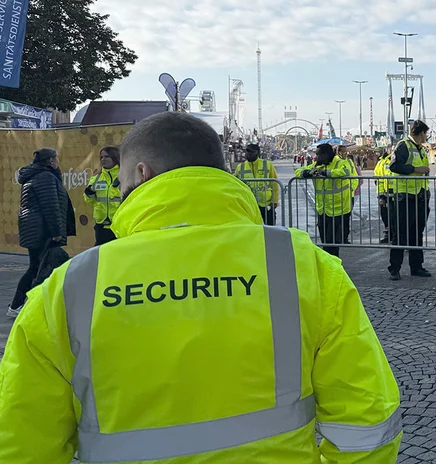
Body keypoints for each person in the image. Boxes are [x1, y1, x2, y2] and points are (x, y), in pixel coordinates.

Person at [0, 112, 402, 462]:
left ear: (142, 174)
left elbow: (19, 444)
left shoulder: (68, 290)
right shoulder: (303, 265)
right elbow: (367, 421)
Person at [8, 148, 75, 319]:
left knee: (38, 267)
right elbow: (51, 206)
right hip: (43, 231)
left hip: (36, 230)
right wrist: (57, 232)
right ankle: (18, 304)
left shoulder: (35, 175)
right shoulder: (45, 177)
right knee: (38, 268)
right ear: (51, 160)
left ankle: (27, 304)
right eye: (56, 159)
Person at [388, 120, 433, 280]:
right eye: (425, 133)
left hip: (419, 196)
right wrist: (415, 169)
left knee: (416, 234)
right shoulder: (404, 146)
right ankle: (395, 268)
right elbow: (394, 166)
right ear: (420, 133)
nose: (426, 137)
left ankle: (416, 266)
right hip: (404, 197)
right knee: (400, 234)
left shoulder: (420, 149)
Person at [296, 143, 353, 257]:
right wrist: (308, 173)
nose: (316, 157)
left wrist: (325, 173)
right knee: (326, 241)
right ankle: (330, 264)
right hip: (323, 210)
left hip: (338, 209)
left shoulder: (340, 162)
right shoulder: (317, 165)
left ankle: (333, 266)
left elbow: (345, 172)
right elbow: (298, 172)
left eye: (318, 154)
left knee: (332, 244)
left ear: (326, 154)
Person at [83, 146, 122, 246]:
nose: (103, 159)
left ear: (115, 158)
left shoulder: (123, 176)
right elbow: (87, 200)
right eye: (101, 157)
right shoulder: (97, 177)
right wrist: (90, 191)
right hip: (101, 226)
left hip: (119, 224)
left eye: (107, 156)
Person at [234, 143, 280, 226]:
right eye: (247, 152)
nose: (248, 154)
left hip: (266, 204)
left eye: (251, 152)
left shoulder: (268, 165)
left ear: (258, 153)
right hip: (248, 205)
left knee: (270, 230)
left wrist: (275, 201)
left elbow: (275, 184)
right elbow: (234, 183)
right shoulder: (240, 167)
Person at [374, 148, 393, 244]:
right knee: (385, 215)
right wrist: (381, 196)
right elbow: (378, 181)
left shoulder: (398, 160)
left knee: (396, 217)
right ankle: (389, 234)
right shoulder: (382, 163)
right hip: (386, 194)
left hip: (398, 194)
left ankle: (395, 235)